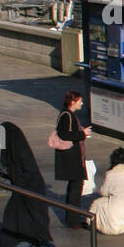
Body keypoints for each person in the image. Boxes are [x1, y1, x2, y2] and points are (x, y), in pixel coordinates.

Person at [0, 122, 61, 247]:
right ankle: (20, 244)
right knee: (15, 216)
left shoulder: (19, 150)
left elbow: (26, 170)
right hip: (22, 189)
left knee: (37, 221)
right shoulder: (15, 147)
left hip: (31, 189)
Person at [53, 90, 90, 227]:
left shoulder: (68, 114)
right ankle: (73, 220)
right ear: (73, 102)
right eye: (80, 100)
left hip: (73, 157)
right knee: (76, 188)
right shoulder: (67, 115)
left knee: (74, 187)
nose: (82, 103)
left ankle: (73, 217)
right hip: (71, 158)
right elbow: (64, 134)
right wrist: (83, 133)